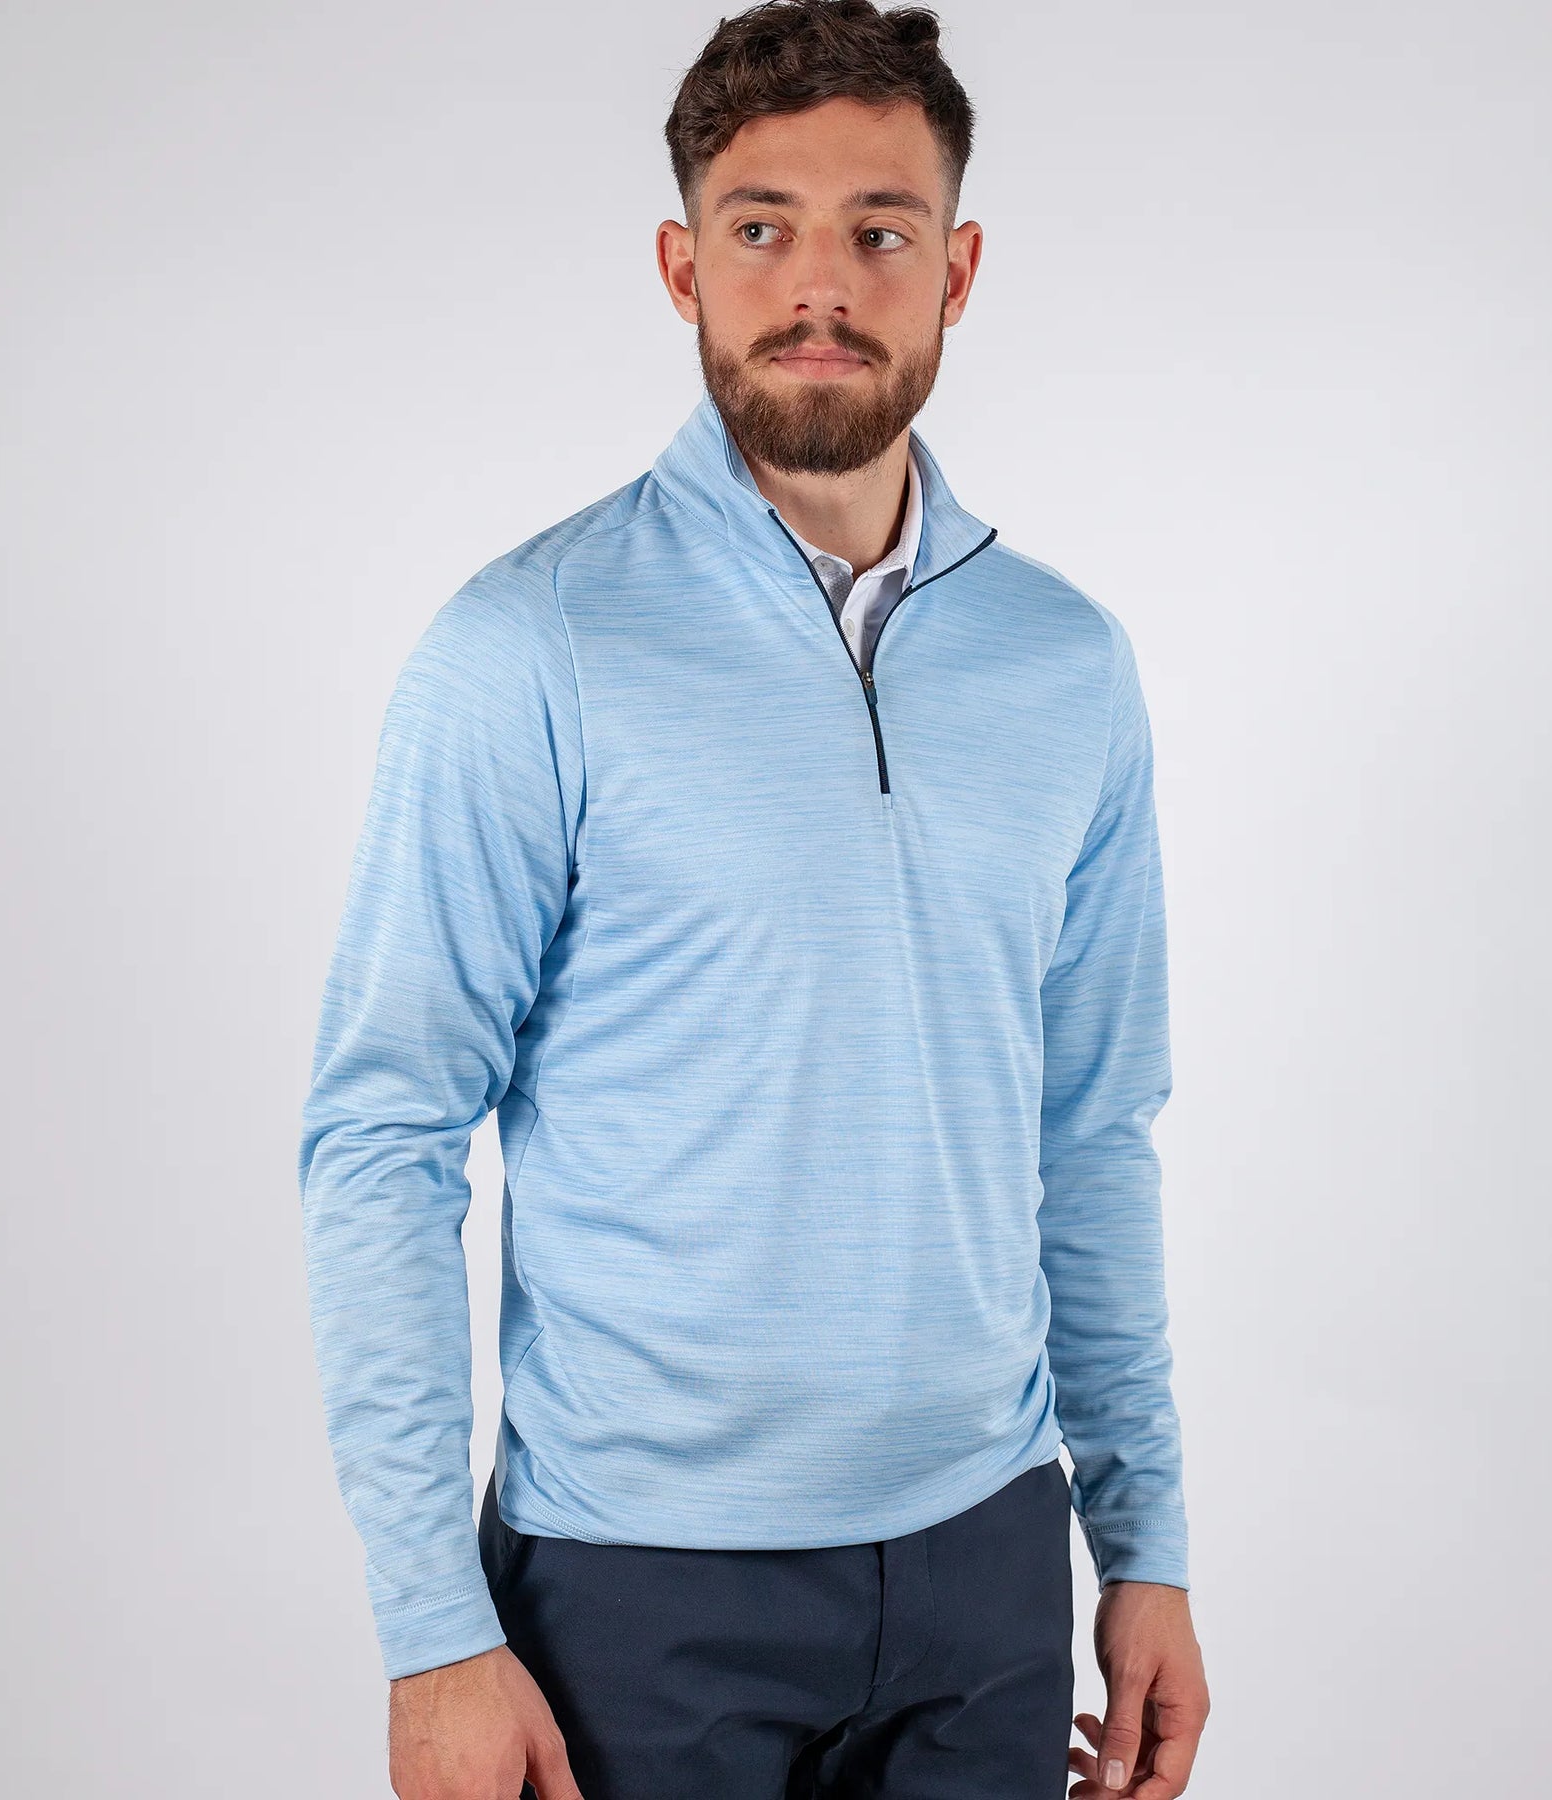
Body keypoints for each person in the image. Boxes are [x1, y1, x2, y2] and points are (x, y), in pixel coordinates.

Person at [297, 3, 1210, 1795]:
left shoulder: (1068, 665)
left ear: (956, 271)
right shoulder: (529, 645)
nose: (820, 285)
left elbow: (1094, 1131)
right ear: (682, 267)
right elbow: (383, 1135)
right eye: (761, 226)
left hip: (990, 1565)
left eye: (880, 231)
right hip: (635, 1590)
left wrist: (1145, 1541)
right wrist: (431, 1630)